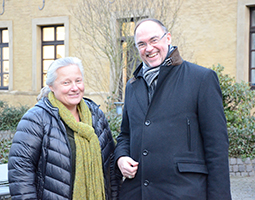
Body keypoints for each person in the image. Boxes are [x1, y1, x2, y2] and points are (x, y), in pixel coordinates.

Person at [114, 18, 231, 199]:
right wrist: (121, 158)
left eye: (154, 40)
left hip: (184, 193)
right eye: (142, 44)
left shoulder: (201, 79)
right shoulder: (132, 86)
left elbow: (217, 148)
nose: (149, 48)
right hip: (138, 193)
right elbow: (125, 135)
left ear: (167, 38)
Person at [8, 57, 120, 200]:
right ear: (51, 87)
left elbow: (110, 164)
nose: (74, 88)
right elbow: (20, 172)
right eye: (66, 82)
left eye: (78, 81)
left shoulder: (96, 115)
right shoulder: (36, 119)